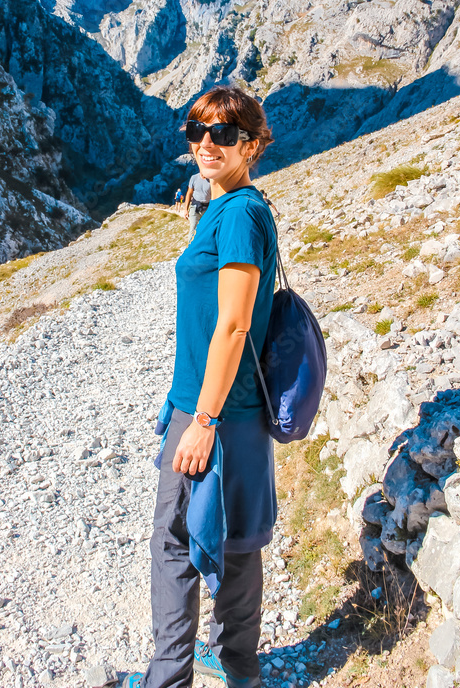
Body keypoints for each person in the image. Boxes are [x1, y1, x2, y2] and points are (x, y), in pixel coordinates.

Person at [122, 84, 277, 688]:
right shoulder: (231, 204)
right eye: (197, 130)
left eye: (225, 134)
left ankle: (168, 678)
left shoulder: (237, 214)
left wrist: (202, 421)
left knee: (175, 547)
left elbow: (234, 325)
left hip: (214, 412)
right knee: (237, 542)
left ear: (254, 144)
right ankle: (237, 668)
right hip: (237, 411)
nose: (207, 143)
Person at [183, 170, 211, 243]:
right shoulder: (194, 178)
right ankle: (190, 248)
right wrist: (186, 209)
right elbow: (189, 193)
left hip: (207, 208)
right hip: (195, 206)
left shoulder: (212, 180)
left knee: (205, 229)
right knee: (193, 227)